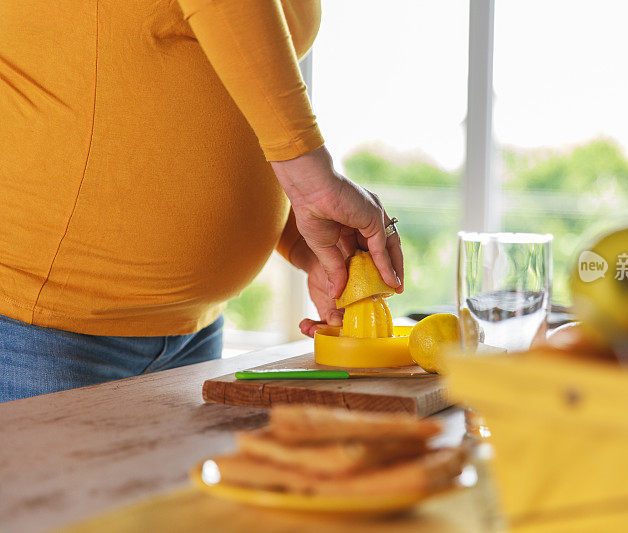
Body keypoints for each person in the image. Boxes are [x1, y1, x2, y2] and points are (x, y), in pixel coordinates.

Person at [0, 0, 403, 402]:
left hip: (197, 333)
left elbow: (232, 89)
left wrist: (304, 237)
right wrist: (311, 173)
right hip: (39, 331)